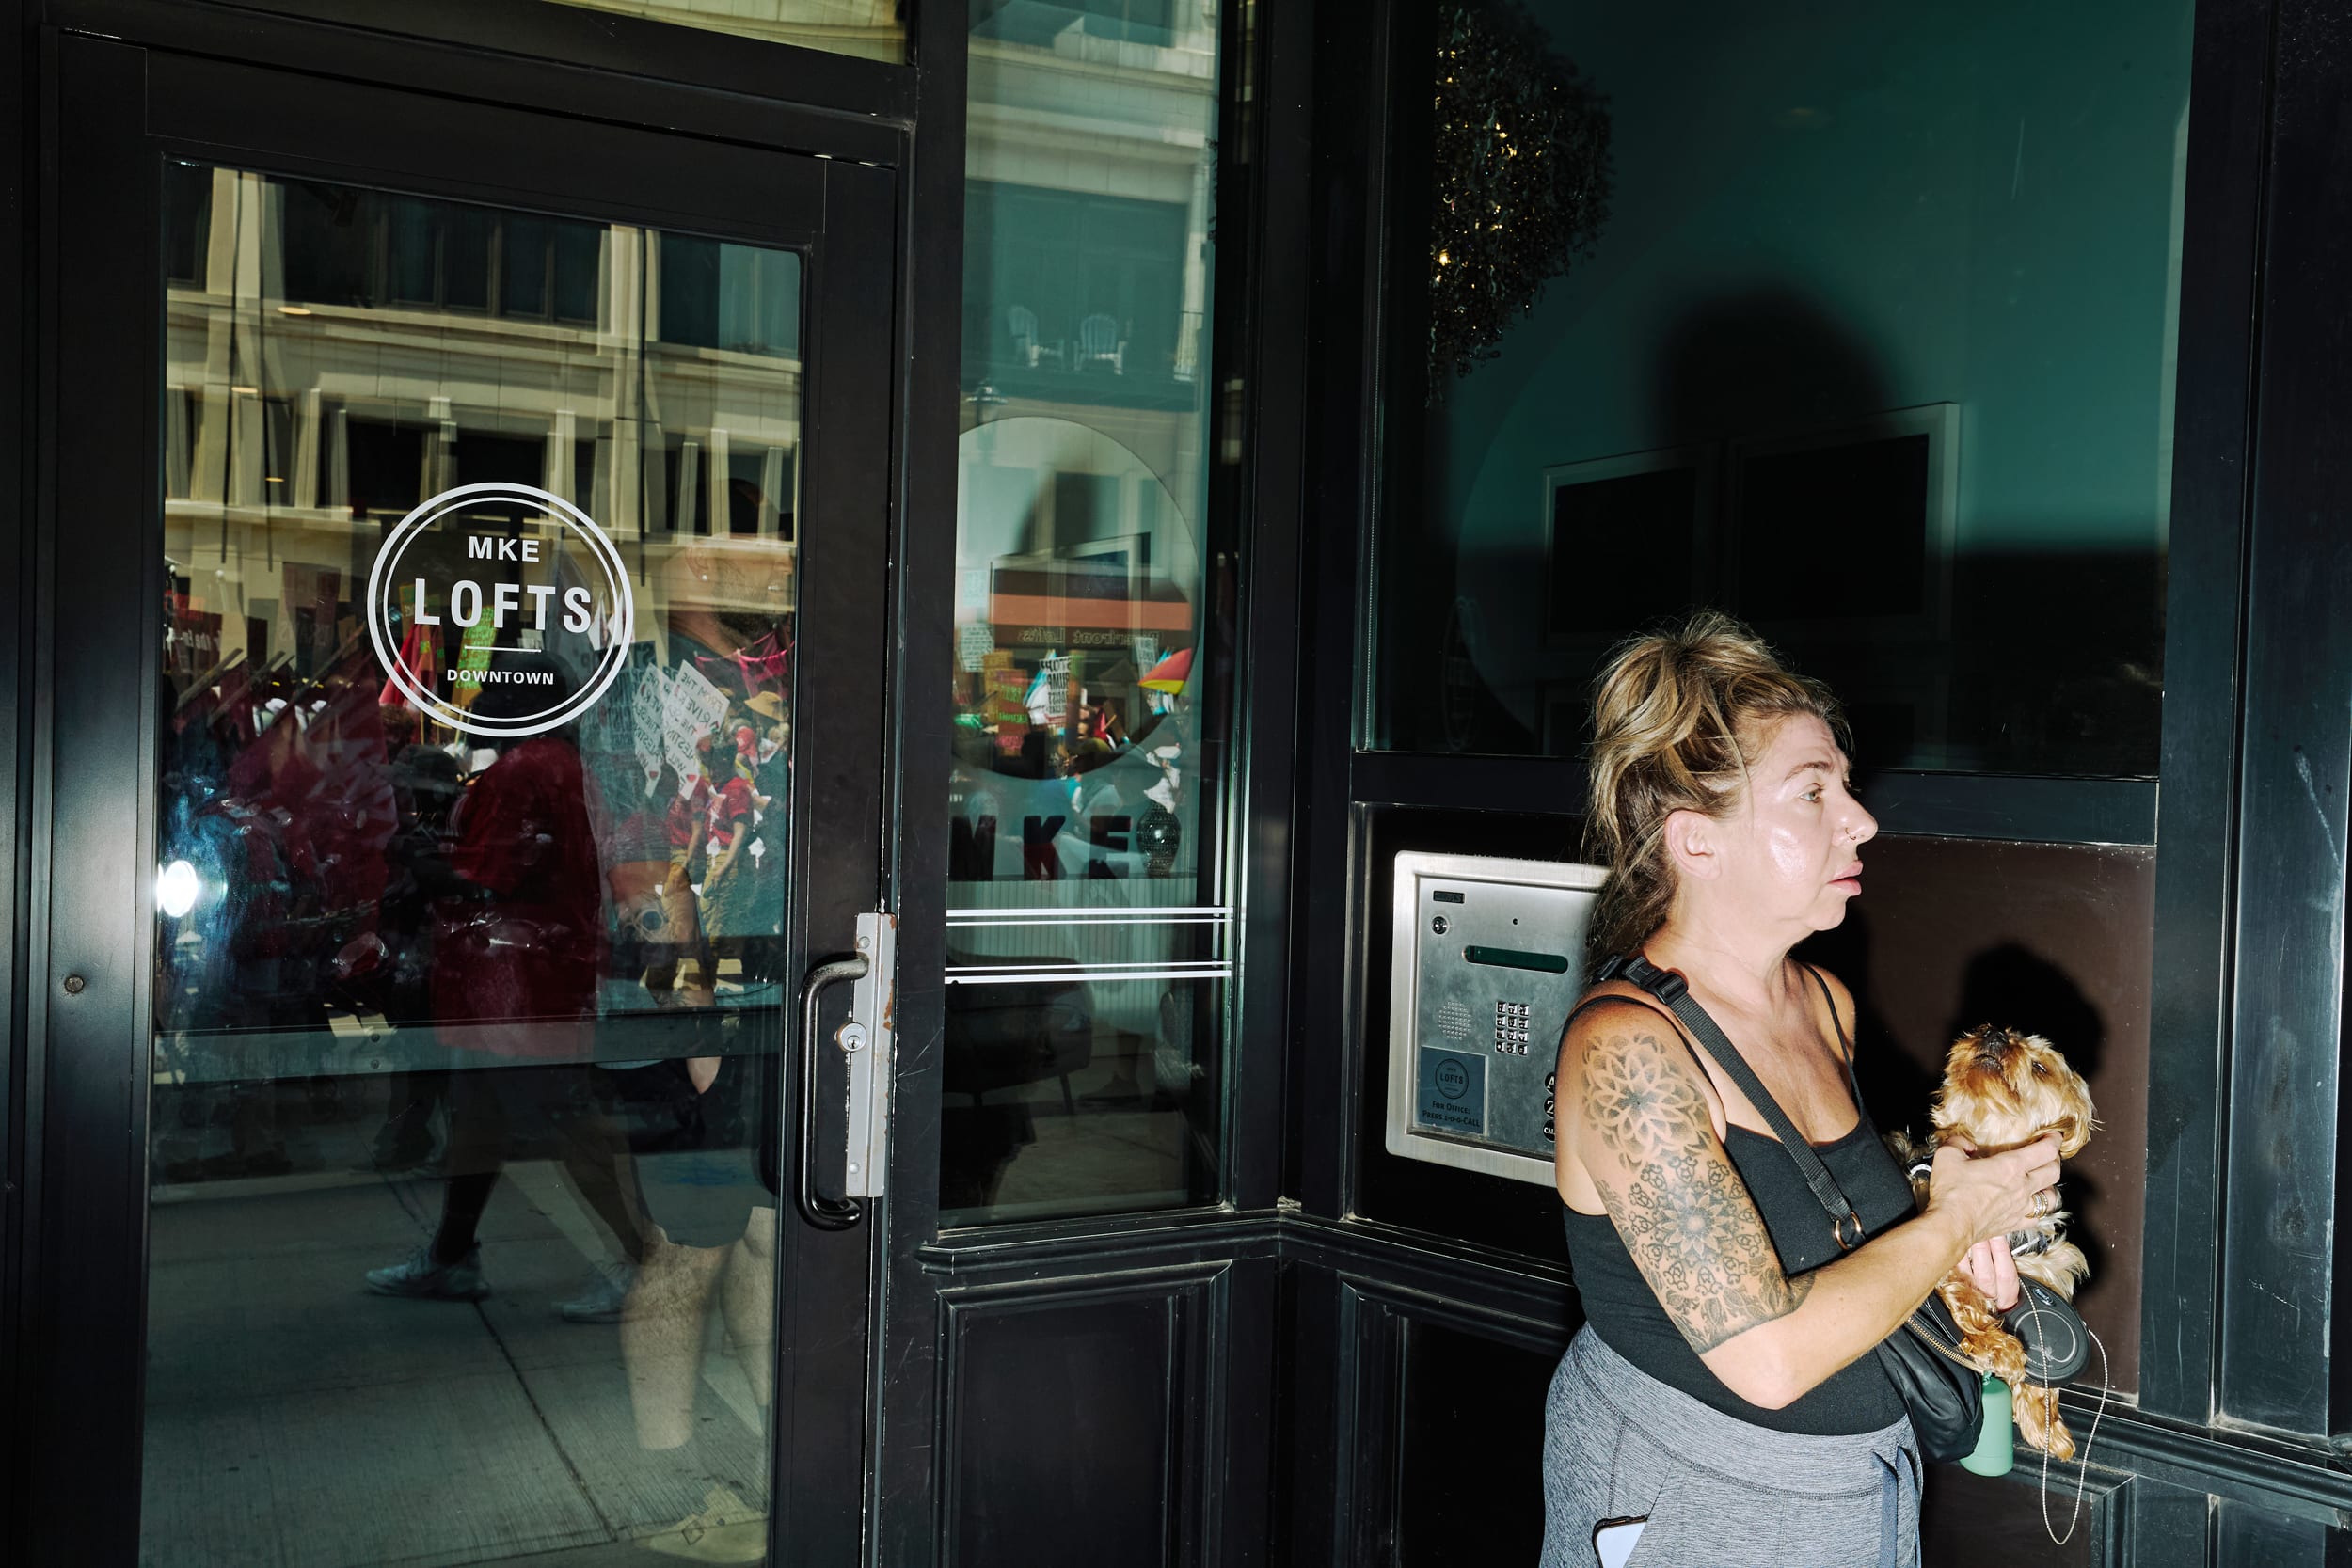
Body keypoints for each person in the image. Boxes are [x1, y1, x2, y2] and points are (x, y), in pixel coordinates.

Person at [1542, 613, 2059, 1568]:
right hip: (1693, 1501)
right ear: (1694, 842)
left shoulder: (1820, 1002)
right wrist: (1950, 1219)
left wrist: (1959, 1238)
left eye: (1846, 787)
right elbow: (1765, 1357)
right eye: (1812, 792)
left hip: (1854, 1491)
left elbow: (1834, 1229)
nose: (1859, 819)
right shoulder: (1628, 1049)